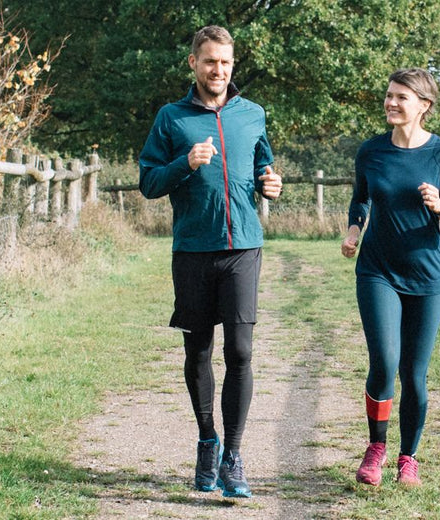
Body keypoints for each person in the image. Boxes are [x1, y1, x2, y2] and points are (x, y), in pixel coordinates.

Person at [139, 25, 282, 499]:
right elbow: (149, 182)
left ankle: (234, 457)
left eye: (224, 62)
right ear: (193, 64)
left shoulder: (253, 114)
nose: (217, 70)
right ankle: (206, 440)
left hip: (243, 246)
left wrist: (271, 185)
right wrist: (187, 163)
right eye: (209, 62)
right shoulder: (171, 118)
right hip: (193, 251)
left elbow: (264, 168)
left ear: (232, 65)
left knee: (240, 351)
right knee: (197, 352)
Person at [340, 68, 440, 487]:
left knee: (414, 373)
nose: (391, 103)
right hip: (377, 270)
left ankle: (408, 457)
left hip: (427, 277)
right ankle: (375, 448)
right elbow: (360, 198)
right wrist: (354, 229)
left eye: (402, 97)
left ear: (424, 106)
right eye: (389, 95)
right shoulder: (372, 151)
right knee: (385, 360)